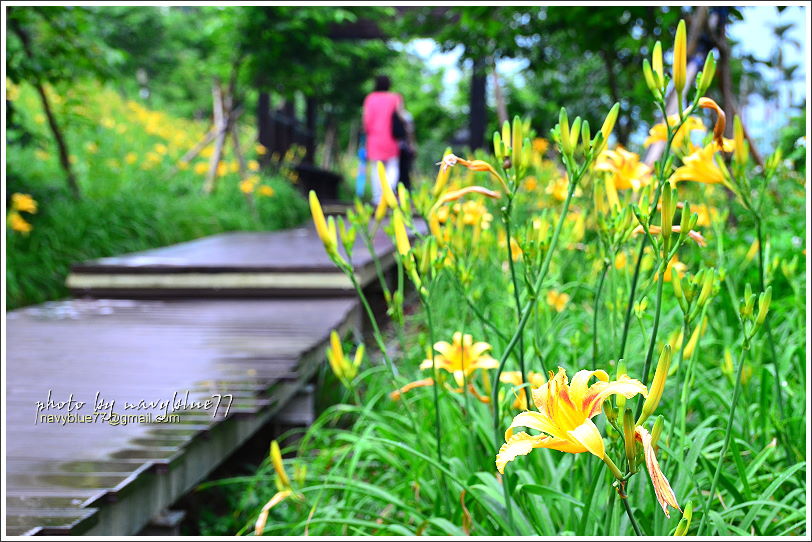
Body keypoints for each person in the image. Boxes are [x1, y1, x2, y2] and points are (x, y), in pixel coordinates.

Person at [362, 75, 404, 204]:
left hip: (374, 138)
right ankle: (389, 192)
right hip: (391, 138)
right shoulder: (395, 98)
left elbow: (366, 120)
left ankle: (377, 198)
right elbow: (401, 117)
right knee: (392, 166)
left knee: (376, 168)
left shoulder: (370, 99)